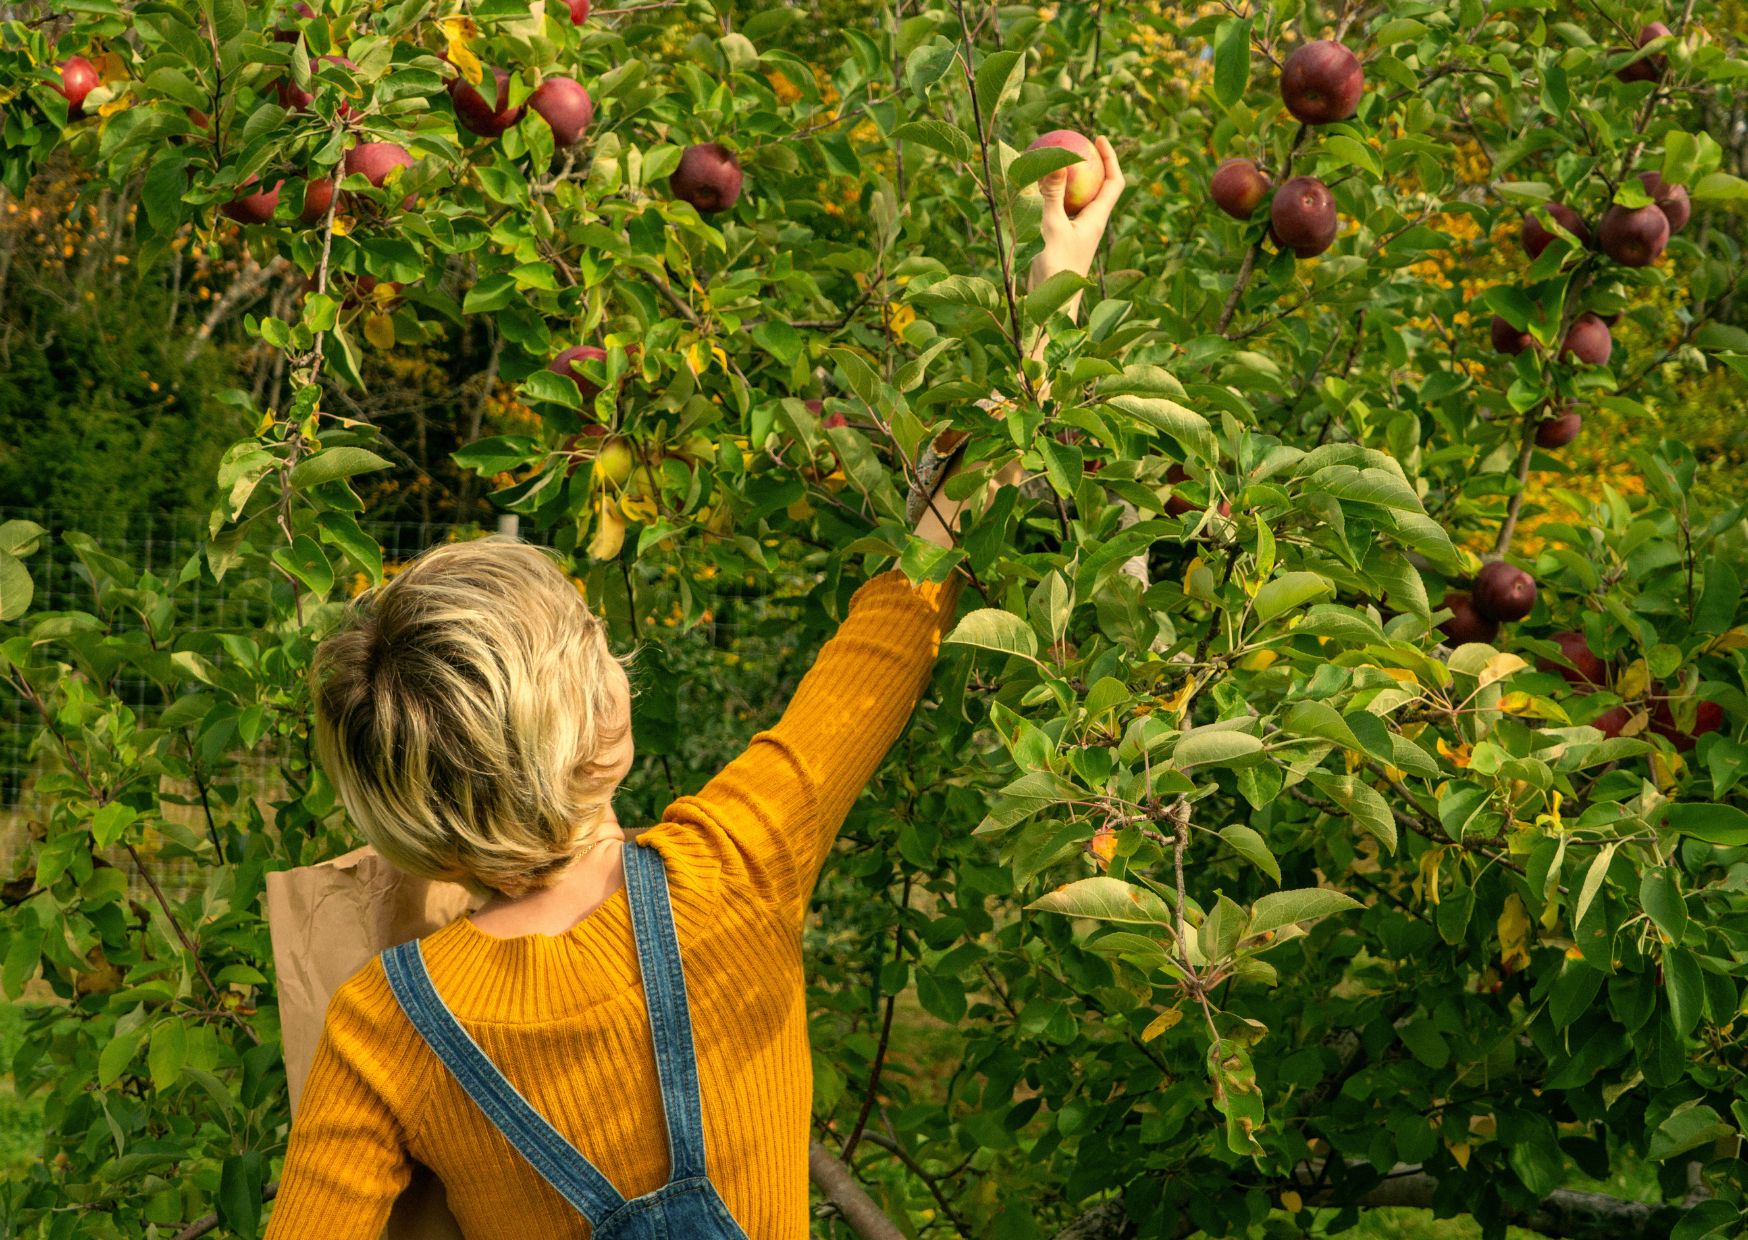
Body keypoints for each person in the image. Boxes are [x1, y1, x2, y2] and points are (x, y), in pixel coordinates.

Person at [264, 138, 1124, 1240]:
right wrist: (1052, 283)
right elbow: (898, 618)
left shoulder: (383, 1026)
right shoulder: (735, 866)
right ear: (601, 733)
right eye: (591, 644)